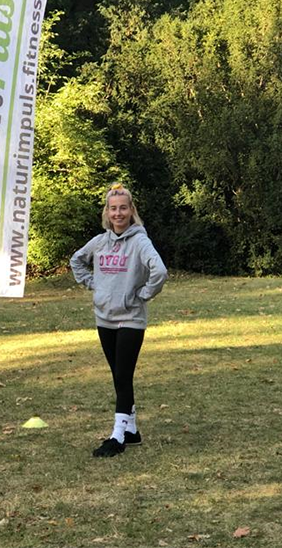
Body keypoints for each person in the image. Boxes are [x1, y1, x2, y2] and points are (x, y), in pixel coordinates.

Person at [70, 183, 168, 457]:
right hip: (105, 318)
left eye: (123, 208)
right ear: (107, 212)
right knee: (118, 376)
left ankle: (117, 436)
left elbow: (159, 271)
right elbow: (76, 260)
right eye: (113, 208)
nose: (118, 213)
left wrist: (142, 294)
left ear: (131, 210)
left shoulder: (139, 241)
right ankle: (132, 431)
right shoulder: (101, 242)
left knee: (123, 377)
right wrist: (95, 285)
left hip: (130, 319)